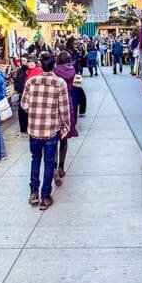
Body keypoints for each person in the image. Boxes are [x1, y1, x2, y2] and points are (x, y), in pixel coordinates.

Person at [20, 53, 71, 210]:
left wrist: (35, 112)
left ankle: (33, 193)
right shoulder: (59, 83)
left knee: (35, 159)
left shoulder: (31, 81)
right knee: (49, 163)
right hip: (51, 129)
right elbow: (64, 108)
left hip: (34, 129)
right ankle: (45, 197)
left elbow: (24, 104)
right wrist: (65, 126)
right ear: (54, 65)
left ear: (41, 65)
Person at [53, 50, 79, 187]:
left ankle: (54, 168)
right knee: (64, 137)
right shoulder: (72, 70)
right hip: (67, 101)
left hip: (55, 101)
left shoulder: (55, 70)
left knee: (54, 137)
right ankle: (61, 166)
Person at [13, 57, 35, 137]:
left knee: (27, 111)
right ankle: (23, 129)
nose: (23, 62)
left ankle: (28, 128)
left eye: (24, 61)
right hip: (21, 93)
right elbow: (17, 80)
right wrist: (17, 89)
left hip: (28, 94)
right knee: (21, 111)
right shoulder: (20, 71)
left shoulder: (29, 71)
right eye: (21, 61)